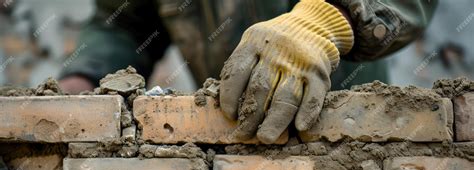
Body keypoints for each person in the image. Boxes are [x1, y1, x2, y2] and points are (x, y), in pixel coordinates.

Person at [59, 0, 438, 144]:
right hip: (230, 140)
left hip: (344, 142)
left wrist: (323, 21)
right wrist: (83, 79)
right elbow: (124, 23)